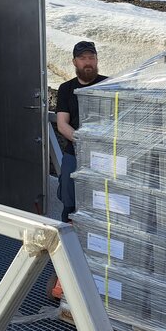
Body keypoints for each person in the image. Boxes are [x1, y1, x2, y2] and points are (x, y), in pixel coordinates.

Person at [55, 41, 107, 222]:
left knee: (102, 201)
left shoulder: (110, 85)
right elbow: (62, 124)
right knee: (69, 194)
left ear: (97, 60)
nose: (88, 62)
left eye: (91, 58)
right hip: (76, 151)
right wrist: (83, 143)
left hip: (105, 153)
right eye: (82, 58)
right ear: (74, 62)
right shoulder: (66, 89)